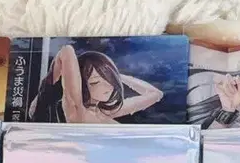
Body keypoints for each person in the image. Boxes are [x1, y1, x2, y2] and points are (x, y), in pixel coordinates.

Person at [28, 43, 163, 123]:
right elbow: (67, 51)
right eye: (95, 82)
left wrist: (117, 76)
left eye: (109, 79)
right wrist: (49, 85)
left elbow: (155, 94)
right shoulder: (77, 111)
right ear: (81, 86)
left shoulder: (106, 112)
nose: (108, 85)